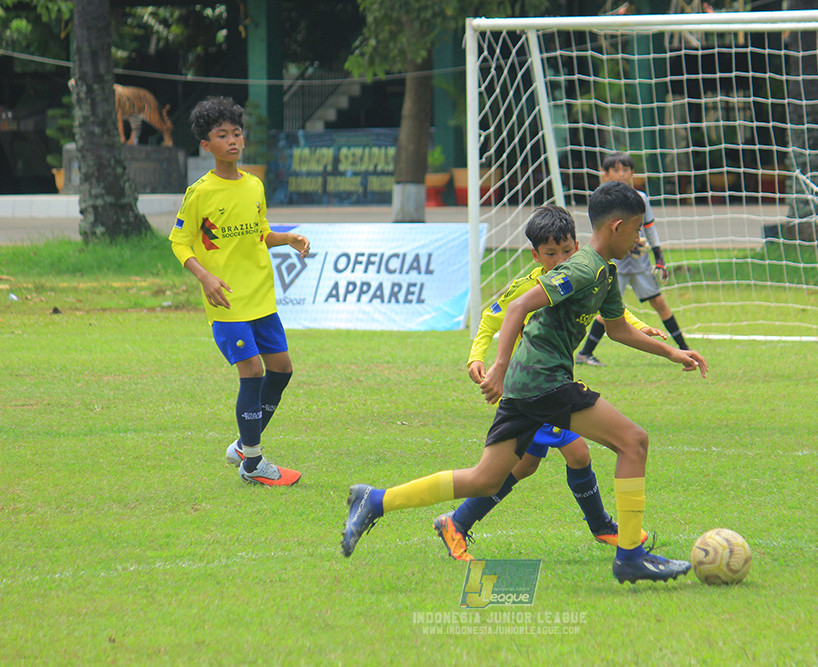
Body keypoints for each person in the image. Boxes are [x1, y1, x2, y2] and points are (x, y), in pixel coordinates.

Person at [342, 181, 708, 585]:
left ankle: (374, 500)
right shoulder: (583, 267)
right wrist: (496, 365)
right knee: (633, 441)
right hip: (543, 380)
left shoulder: (603, 271)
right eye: (638, 228)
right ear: (618, 226)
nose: (640, 237)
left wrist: (674, 352)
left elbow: (619, 329)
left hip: (527, 383)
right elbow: (517, 305)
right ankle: (629, 555)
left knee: (486, 478)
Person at [436, 205, 665, 561]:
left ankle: (458, 522)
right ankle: (603, 527)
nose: (560, 260)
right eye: (550, 254)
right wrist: (477, 358)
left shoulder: (580, 273)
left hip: (551, 382)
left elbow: (604, 301)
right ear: (535, 255)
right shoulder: (530, 286)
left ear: (577, 245)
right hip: (534, 386)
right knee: (578, 452)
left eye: (566, 251)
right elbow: (491, 318)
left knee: (525, 465)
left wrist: (638, 325)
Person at [168, 96, 310, 486]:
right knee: (252, 371)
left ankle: (243, 446)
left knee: (281, 370)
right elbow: (179, 242)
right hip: (227, 301)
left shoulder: (254, 186)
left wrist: (287, 237)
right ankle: (252, 462)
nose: (232, 140)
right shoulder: (200, 193)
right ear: (206, 145)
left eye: (236, 133)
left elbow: (260, 233)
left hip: (261, 298)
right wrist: (205, 277)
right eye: (221, 135)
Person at [576, 152, 688, 367]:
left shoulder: (641, 199)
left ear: (633, 173)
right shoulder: (604, 200)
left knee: (658, 301)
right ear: (605, 174)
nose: (621, 174)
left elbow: (650, 229)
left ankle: (684, 349)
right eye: (616, 170)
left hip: (639, 263)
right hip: (615, 263)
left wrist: (659, 258)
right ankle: (585, 353)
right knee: (607, 307)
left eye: (625, 170)